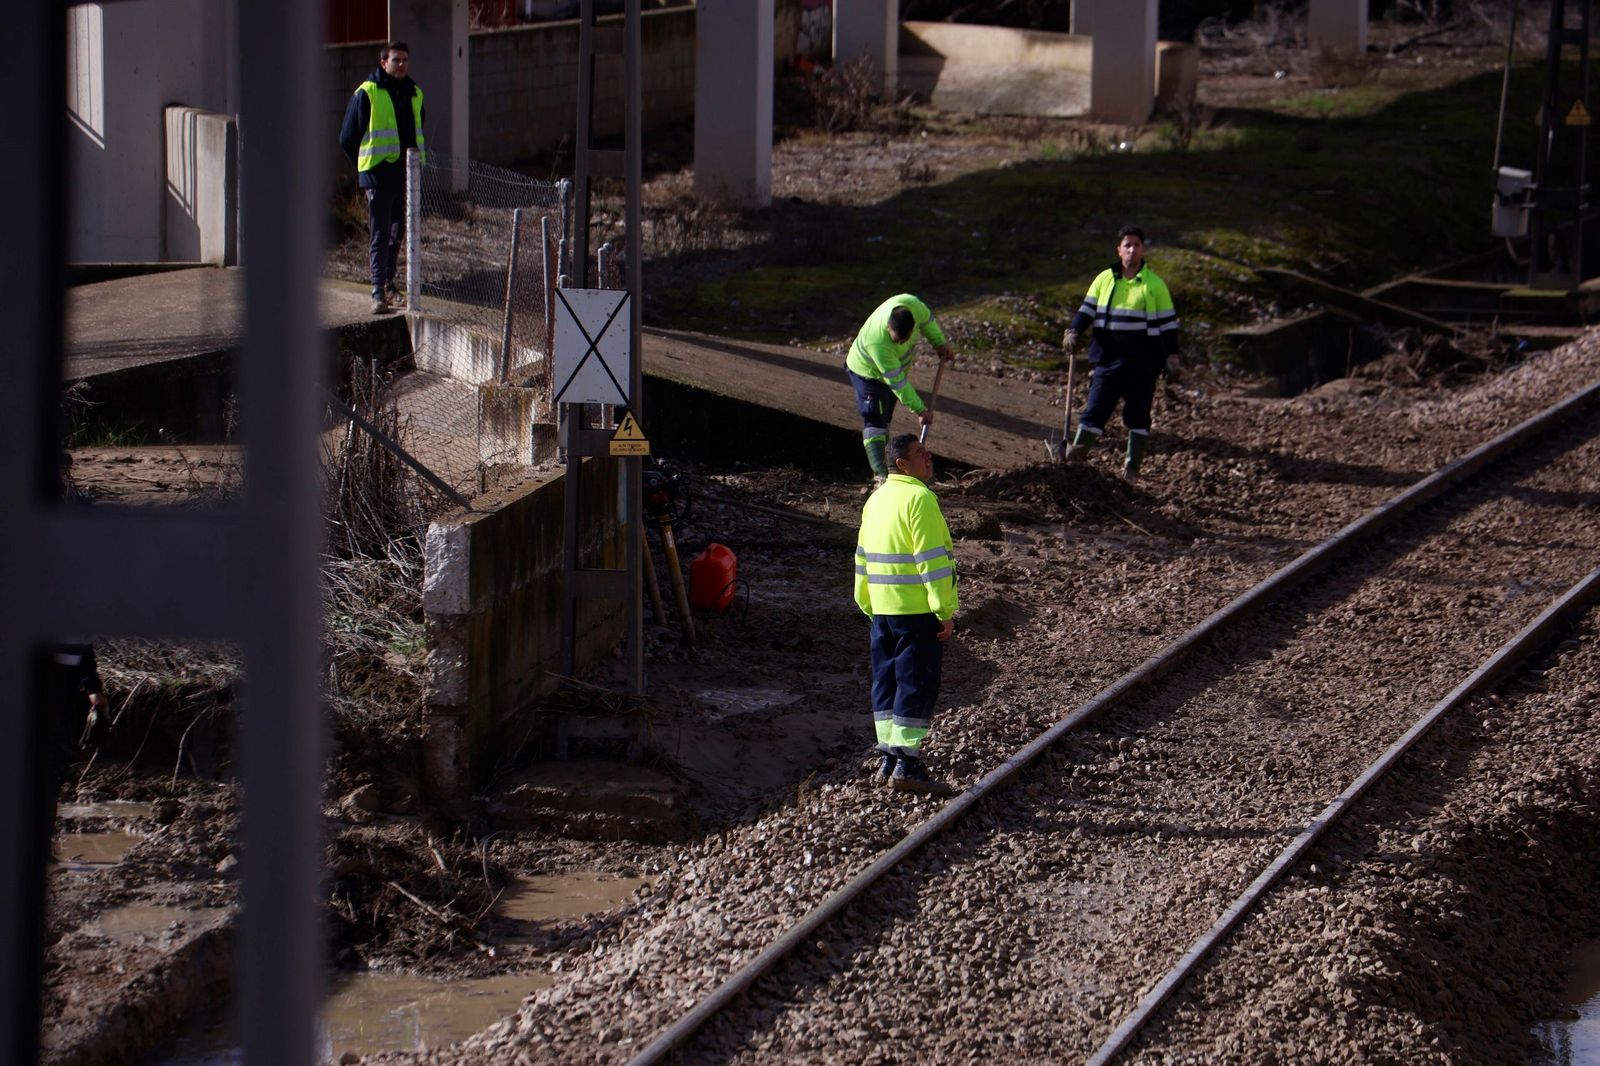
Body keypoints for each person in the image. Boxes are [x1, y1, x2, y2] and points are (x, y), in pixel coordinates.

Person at [854, 433, 958, 797]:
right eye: (920, 453)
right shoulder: (920, 499)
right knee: (916, 684)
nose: (928, 456)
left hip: (882, 610)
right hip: (916, 611)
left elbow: (862, 557)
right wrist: (944, 610)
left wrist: (866, 603)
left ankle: (889, 757)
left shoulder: (875, 500)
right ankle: (907, 763)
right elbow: (932, 562)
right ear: (902, 464)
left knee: (886, 683)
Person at [1061, 225, 1180, 483]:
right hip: (1108, 359)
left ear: (1143, 249)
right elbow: (1087, 311)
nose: (1131, 250)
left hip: (1143, 364)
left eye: (1136, 245)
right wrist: (1073, 331)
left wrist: (1172, 356)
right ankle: (1071, 466)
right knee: (1095, 410)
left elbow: (1168, 326)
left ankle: (1131, 472)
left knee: (1138, 416)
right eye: (1127, 245)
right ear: (1119, 249)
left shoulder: (1154, 285)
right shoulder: (1104, 279)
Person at [340, 41, 426, 315]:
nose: (401, 65)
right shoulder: (367, 93)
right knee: (380, 234)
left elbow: (417, 130)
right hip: (378, 176)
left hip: (406, 176)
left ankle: (388, 283)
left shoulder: (414, 93)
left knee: (398, 231)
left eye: (404, 60)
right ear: (383, 63)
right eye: (395, 60)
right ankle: (378, 291)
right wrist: (364, 168)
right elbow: (347, 138)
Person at [845, 294, 955, 484]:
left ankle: (892, 470)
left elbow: (928, 322)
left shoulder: (913, 305)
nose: (900, 344)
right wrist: (920, 410)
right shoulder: (878, 342)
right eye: (896, 339)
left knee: (886, 418)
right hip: (868, 373)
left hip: (894, 371)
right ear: (888, 328)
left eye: (905, 339)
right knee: (876, 420)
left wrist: (939, 343)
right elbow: (897, 383)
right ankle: (881, 476)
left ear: (912, 329)